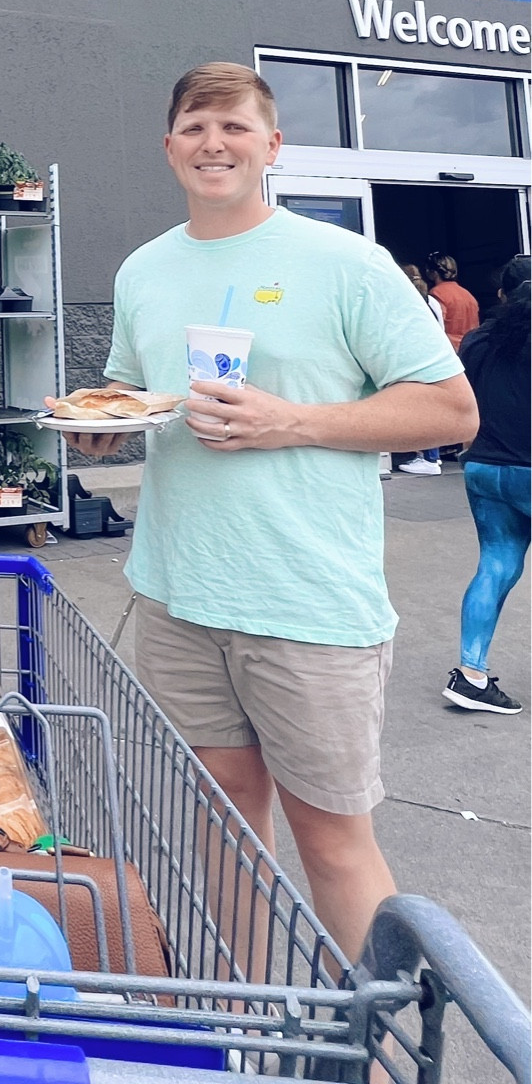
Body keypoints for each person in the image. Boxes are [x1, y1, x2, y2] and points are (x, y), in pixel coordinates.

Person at [79, 62, 476, 962]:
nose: (213, 143)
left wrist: (290, 420)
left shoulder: (344, 263)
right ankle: (245, 1020)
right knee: (222, 825)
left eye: (234, 126)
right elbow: (131, 391)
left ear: (272, 146)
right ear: (169, 147)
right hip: (179, 597)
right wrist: (101, 426)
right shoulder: (144, 269)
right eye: (194, 127)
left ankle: (379, 1035)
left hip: (308, 603)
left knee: (332, 843)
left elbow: (453, 411)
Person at [444, 255, 531, 716]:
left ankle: (471, 675)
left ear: (501, 295)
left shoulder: (478, 340)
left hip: (484, 466)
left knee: (495, 564)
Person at [393, 263, 447, 474]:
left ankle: (428, 458)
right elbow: (441, 327)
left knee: (419, 410)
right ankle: (434, 455)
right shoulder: (432, 301)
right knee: (431, 407)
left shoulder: (403, 299)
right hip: (434, 355)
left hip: (413, 359)